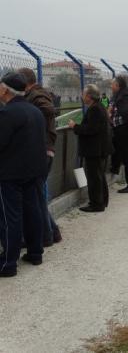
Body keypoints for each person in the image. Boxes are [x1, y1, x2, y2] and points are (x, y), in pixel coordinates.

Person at [0, 73, 47, 277]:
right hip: (34, 170)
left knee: (10, 217)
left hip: (10, 174)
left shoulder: (8, 114)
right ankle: (35, 252)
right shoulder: (34, 111)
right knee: (33, 211)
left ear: (5, 90)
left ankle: (8, 263)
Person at [18, 67, 62, 246]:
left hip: (41, 151)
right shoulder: (36, 94)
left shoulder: (36, 96)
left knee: (35, 198)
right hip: (44, 150)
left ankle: (47, 236)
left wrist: (30, 121)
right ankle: (52, 232)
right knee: (37, 196)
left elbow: (48, 110)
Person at [69, 85, 113, 212]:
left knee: (94, 177)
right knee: (99, 176)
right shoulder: (98, 107)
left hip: (95, 149)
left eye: (83, 94)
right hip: (98, 148)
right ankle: (101, 201)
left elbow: (91, 129)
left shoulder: (95, 109)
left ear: (89, 96)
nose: (82, 97)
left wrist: (75, 126)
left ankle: (96, 204)